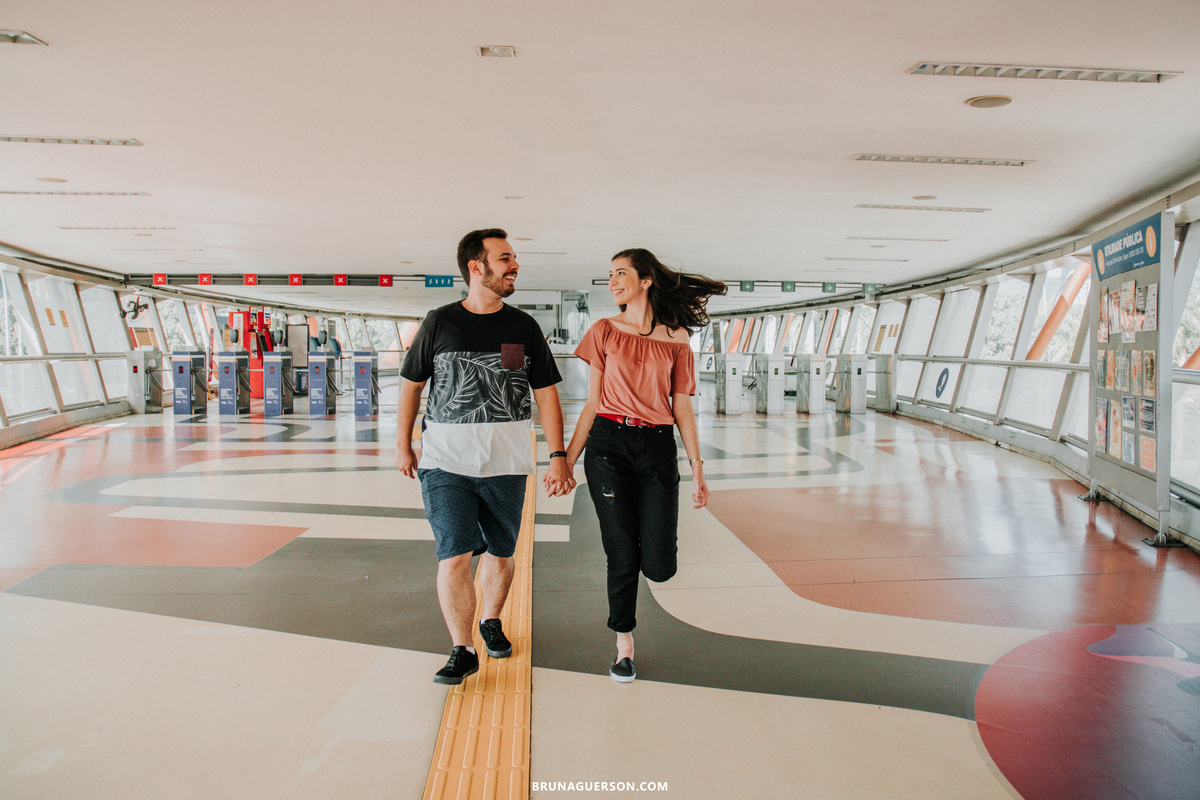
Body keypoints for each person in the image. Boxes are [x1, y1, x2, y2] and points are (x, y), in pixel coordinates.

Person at [395, 228, 574, 685]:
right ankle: (462, 648)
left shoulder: (522, 326)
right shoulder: (439, 322)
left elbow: (546, 395)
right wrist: (403, 443)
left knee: (499, 550)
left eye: (513, 258)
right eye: (505, 258)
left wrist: (558, 455)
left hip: (507, 463)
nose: (514, 265)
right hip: (444, 463)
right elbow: (412, 385)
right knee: (453, 556)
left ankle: (490, 620)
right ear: (477, 267)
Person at [564, 248, 726, 682]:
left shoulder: (676, 338)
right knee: (620, 553)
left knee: (658, 566)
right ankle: (624, 643)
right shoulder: (603, 331)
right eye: (610, 275)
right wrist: (564, 460)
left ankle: (643, 561)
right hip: (608, 445)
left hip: (656, 445)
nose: (614, 281)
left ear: (646, 280)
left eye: (621, 273)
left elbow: (683, 408)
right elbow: (592, 403)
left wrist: (698, 468)